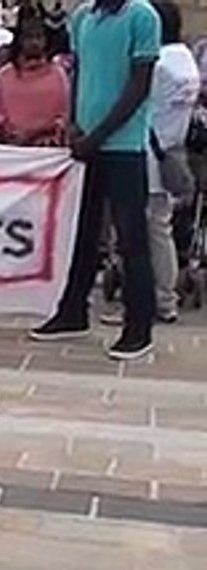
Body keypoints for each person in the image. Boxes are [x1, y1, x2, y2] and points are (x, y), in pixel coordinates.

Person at [29, 0, 161, 360]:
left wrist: (99, 134)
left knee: (130, 237)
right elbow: (80, 73)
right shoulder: (83, 17)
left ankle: (139, 326)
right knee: (82, 232)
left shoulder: (142, 16)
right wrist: (72, 122)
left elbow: (139, 85)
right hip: (86, 143)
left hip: (124, 145)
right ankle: (73, 311)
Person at [100, 0, 196, 327]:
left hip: (147, 156)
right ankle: (165, 299)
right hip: (170, 149)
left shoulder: (159, 64)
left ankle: (153, 300)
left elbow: (132, 95)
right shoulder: (186, 60)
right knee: (161, 230)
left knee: (141, 233)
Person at [0, 16, 69, 145]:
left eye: (39, 37)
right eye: (29, 37)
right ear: (20, 41)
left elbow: (65, 115)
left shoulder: (57, 74)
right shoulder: (5, 75)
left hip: (48, 151)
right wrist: (4, 134)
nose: (34, 42)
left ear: (46, 41)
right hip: (11, 150)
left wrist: (34, 133)